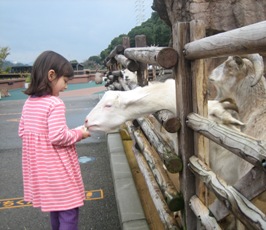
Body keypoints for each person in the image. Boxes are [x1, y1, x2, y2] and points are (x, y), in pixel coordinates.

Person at [18, 50, 90, 230]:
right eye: (65, 81)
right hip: (58, 171)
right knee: (69, 211)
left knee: (56, 210)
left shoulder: (29, 103)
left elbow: (22, 132)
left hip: (42, 172)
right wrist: (80, 133)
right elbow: (58, 136)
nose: (66, 86)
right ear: (51, 75)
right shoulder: (54, 103)